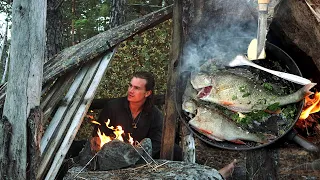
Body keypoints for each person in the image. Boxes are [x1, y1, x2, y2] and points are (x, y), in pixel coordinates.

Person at [92, 71, 182, 160]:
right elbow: (99, 134)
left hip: (141, 158)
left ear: (147, 93)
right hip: (113, 156)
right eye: (130, 86)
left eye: (136, 88)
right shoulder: (112, 107)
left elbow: (156, 144)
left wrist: (136, 156)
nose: (131, 91)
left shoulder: (155, 115)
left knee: (176, 151)